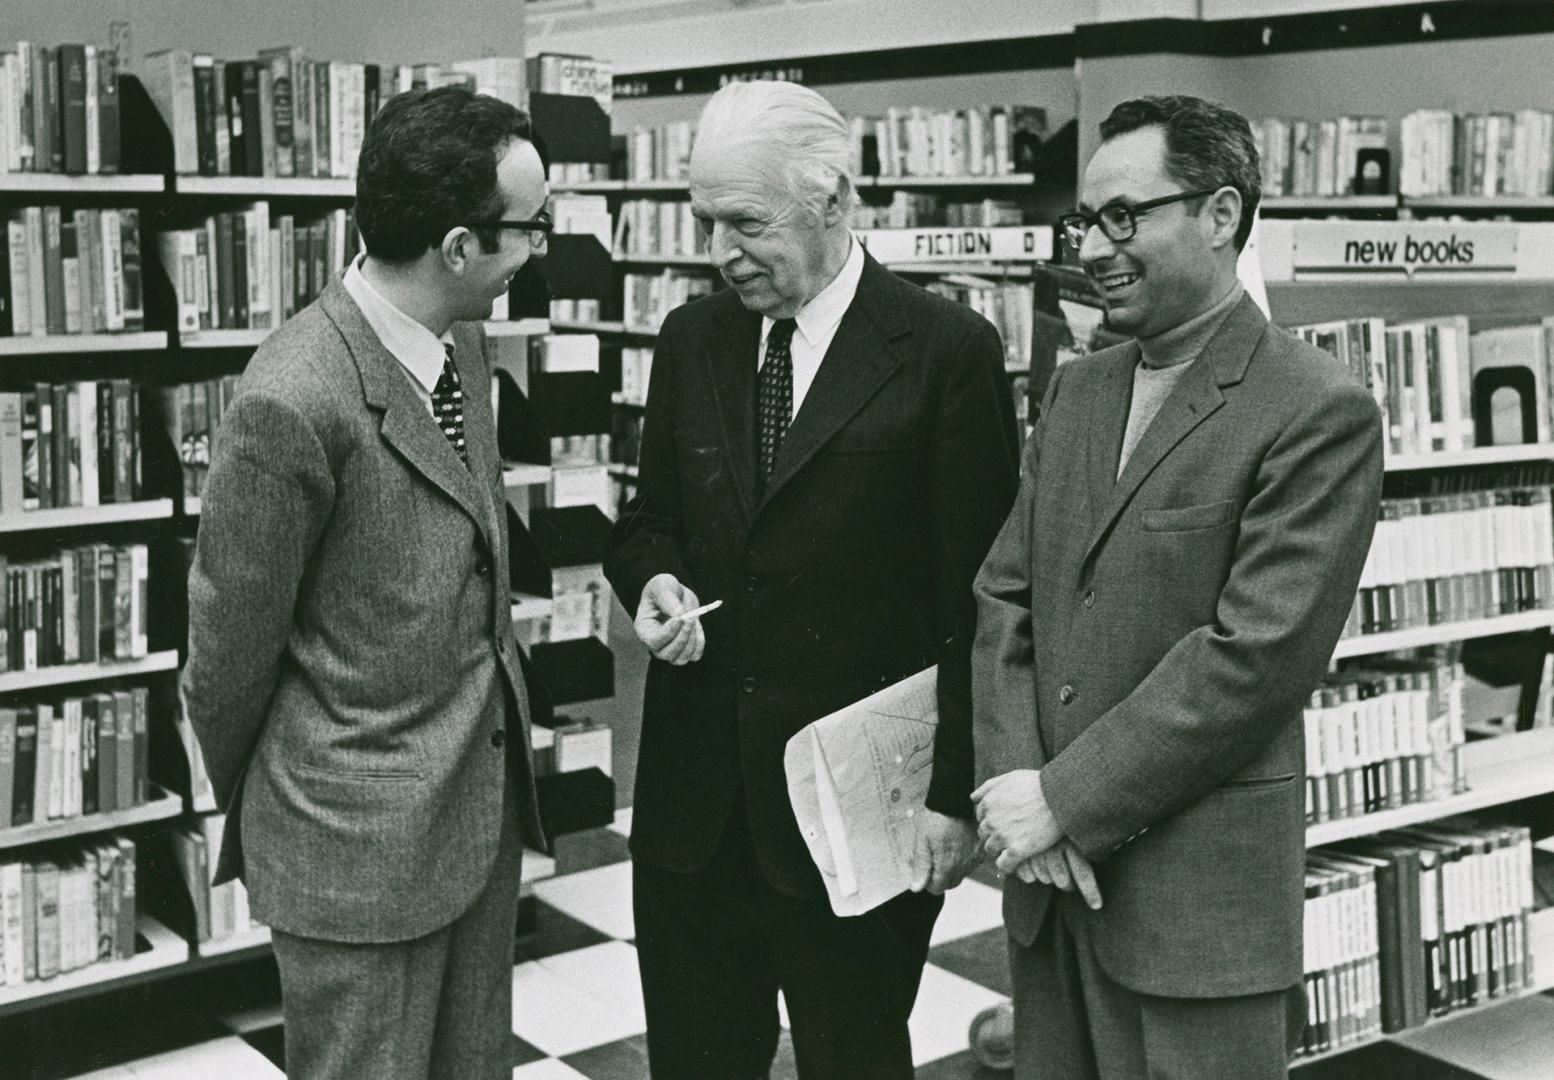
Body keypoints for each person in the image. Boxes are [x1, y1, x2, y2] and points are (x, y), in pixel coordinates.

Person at [602, 79, 1020, 1078]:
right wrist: (653, 580)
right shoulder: (691, 340)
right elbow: (649, 519)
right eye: (705, 223)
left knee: (853, 1059)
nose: (719, 253)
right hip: (696, 811)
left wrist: (954, 796)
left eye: (746, 223)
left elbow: (980, 598)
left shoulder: (944, 352)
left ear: (832, 199)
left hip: (859, 811)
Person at [971, 94, 1384, 1080]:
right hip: (1049, 889)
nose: (1096, 248)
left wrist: (1061, 800)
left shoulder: (1316, 408)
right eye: (1087, 221)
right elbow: (1005, 599)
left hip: (1194, 907)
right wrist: (1019, 799)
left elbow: (1256, 656)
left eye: (1126, 217)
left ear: (1222, 214)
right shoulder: (1080, 388)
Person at [180, 86, 551, 1080]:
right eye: (532, 229)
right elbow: (226, 659)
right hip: (352, 850)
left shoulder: (459, 351)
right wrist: (296, 804)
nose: (539, 252)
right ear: (461, 247)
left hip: (473, 817)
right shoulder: (293, 396)